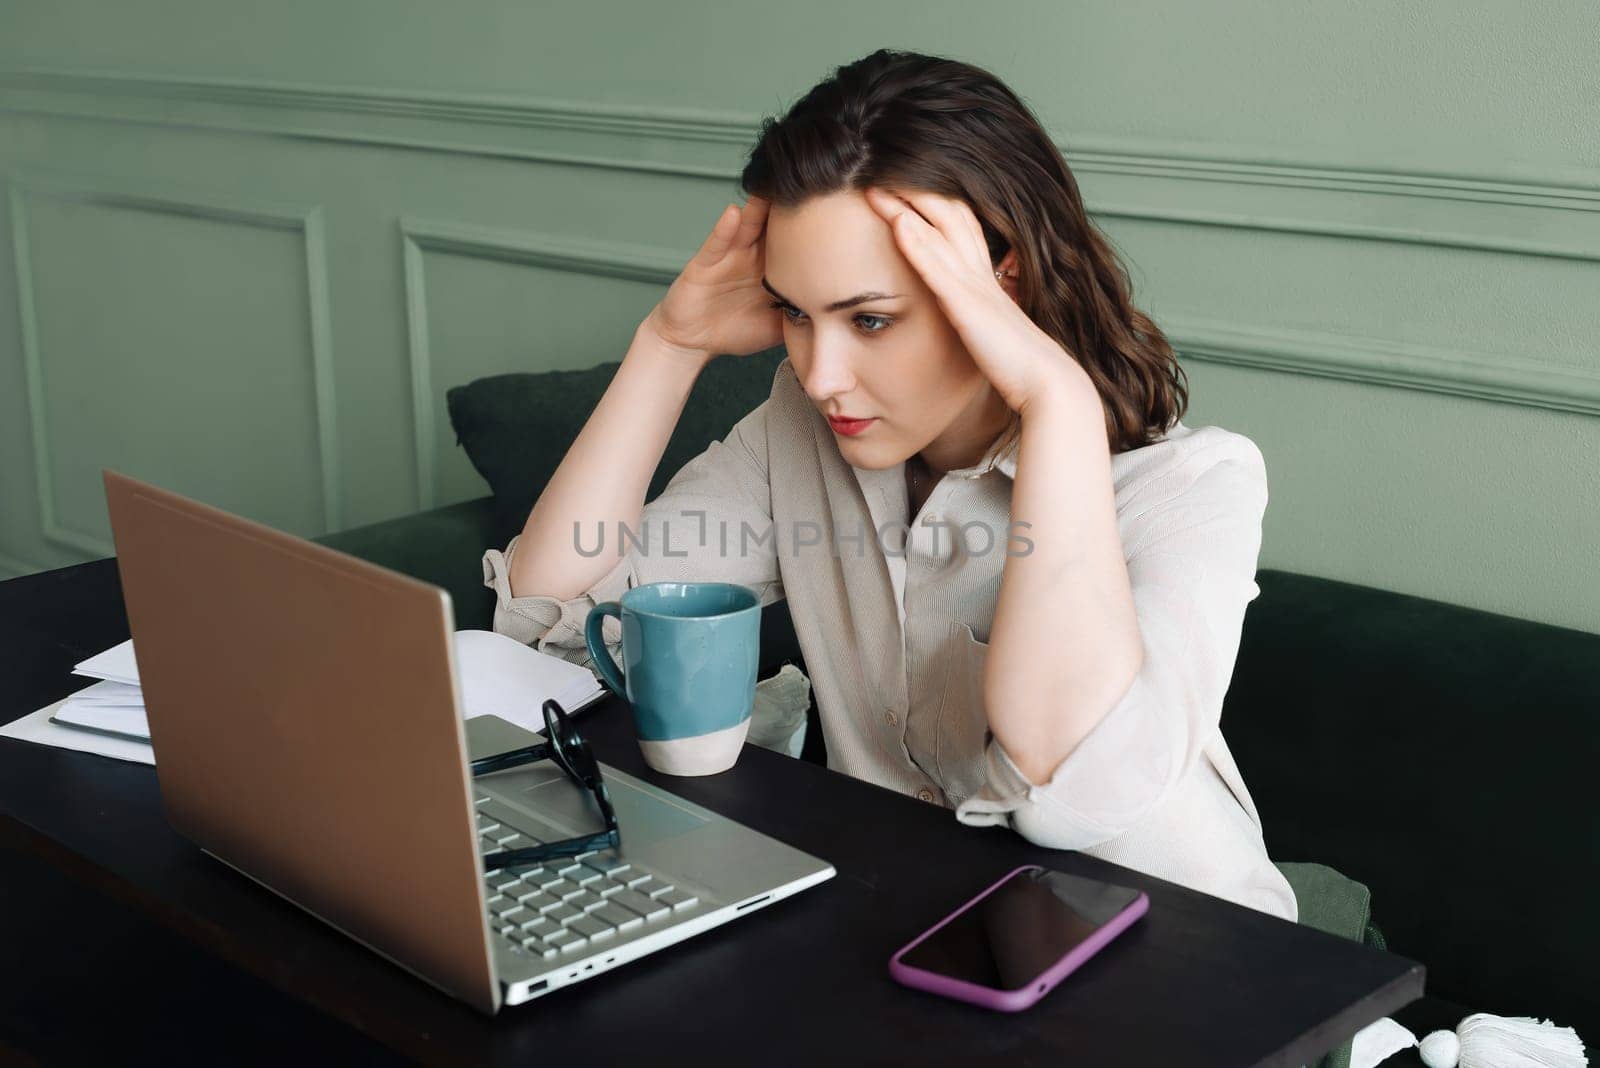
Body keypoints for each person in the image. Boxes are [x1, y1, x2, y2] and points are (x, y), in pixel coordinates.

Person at [481, 48, 1297, 922]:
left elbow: (1075, 790)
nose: (824, 372)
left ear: (999, 278)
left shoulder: (1192, 484)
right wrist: (668, 346)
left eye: (870, 319)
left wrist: (1054, 399)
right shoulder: (802, 429)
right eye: (796, 312)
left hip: (1199, 966)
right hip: (913, 939)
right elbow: (547, 617)